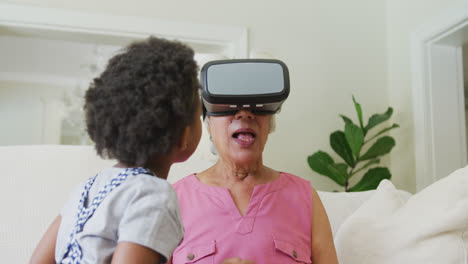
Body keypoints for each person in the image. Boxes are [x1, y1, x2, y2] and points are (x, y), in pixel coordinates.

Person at [30, 36, 202, 264]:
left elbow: (37, 261)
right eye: (199, 114)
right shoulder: (154, 195)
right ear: (184, 135)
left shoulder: (86, 189)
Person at [170, 62, 338, 263]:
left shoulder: (305, 197)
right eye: (230, 106)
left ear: (269, 124)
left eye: (256, 107)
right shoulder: (174, 200)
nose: (245, 114)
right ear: (209, 124)